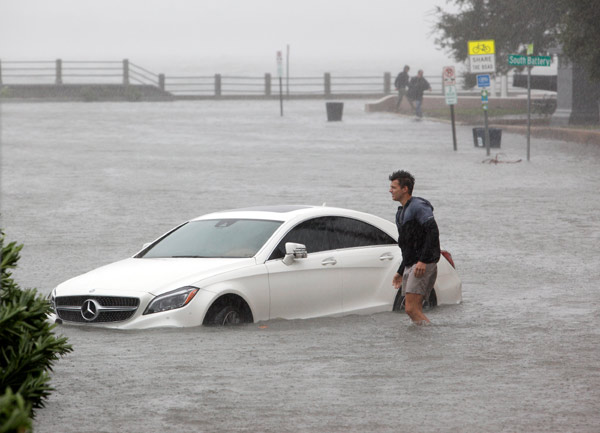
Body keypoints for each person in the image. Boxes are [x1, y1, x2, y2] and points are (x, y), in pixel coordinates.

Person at [389, 170, 440, 325]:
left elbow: (433, 232)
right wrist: (400, 270)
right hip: (412, 264)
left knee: (411, 309)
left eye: (394, 187)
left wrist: (423, 261)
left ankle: (431, 336)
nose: (390, 190)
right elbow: (408, 246)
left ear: (405, 189)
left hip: (422, 264)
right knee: (414, 308)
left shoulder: (419, 207)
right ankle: (421, 343)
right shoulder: (400, 212)